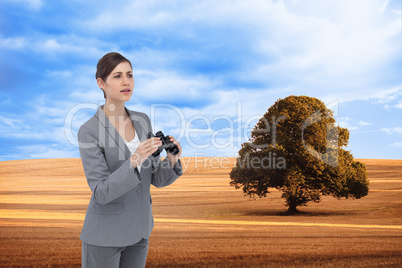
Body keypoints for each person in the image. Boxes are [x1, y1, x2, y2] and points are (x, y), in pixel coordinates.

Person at [77, 52, 183, 268]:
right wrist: (134, 160)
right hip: (104, 234)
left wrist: (171, 159)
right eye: (117, 76)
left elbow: (155, 179)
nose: (126, 81)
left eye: (130, 75)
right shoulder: (89, 131)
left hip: (140, 229)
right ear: (101, 83)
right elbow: (101, 192)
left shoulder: (142, 120)